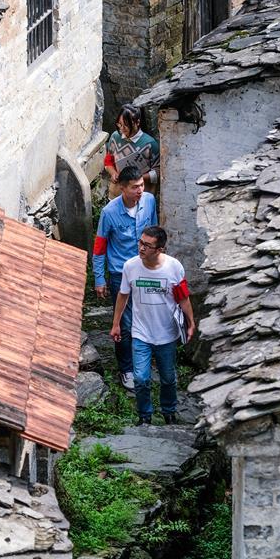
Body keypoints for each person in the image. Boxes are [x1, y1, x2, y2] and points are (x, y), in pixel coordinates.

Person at [109, 226, 195, 425]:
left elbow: (183, 298)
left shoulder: (174, 267)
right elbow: (123, 296)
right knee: (140, 378)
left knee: (168, 377)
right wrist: (116, 324)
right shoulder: (130, 266)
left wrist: (191, 322)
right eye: (140, 242)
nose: (141, 248)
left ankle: (169, 412)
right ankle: (144, 416)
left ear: (160, 249)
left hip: (167, 333)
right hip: (141, 332)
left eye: (147, 245)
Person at [93, 165, 158, 391]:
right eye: (134, 187)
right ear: (122, 188)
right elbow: (99, 247)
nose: (140, 190)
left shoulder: (149, 201)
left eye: (141, 185)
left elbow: (155, 233)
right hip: (120, 273)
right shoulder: (109, 213)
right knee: (125, 323)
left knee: (146, 317)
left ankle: (144, 361)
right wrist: (99, 279)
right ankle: (126, 369)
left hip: (145, 269)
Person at [104, 104, 160, 196]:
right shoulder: (115, 137)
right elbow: (108, 160)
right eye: (119, 124)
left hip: (140, 195)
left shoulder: (150, 144)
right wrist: (113, 173)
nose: (122, 129)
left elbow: (158, 173)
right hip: (117, 193)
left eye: (126, 125)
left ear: (137, 122)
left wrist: (137, 178)